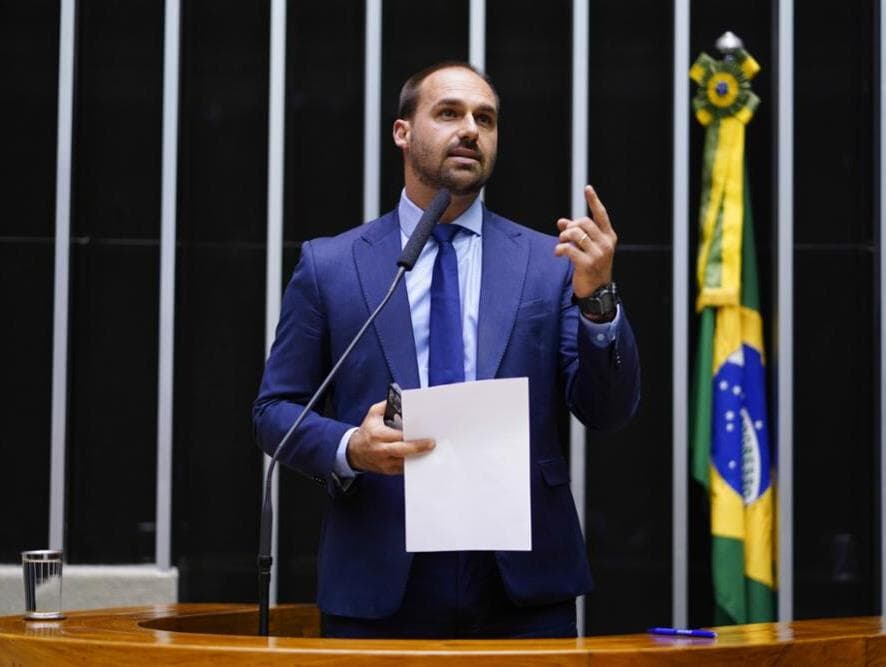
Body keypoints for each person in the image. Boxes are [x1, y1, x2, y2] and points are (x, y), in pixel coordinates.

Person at [253, 61, 640, 639]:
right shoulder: (332, 266)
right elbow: (274, 412)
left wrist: (599, 299)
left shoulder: (548, 265)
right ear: (402, 132)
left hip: (522, 583)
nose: (470, 130)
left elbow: (607, 411)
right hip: (381, 576)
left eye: (485, 119)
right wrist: (350, 447)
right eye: (450, 113)